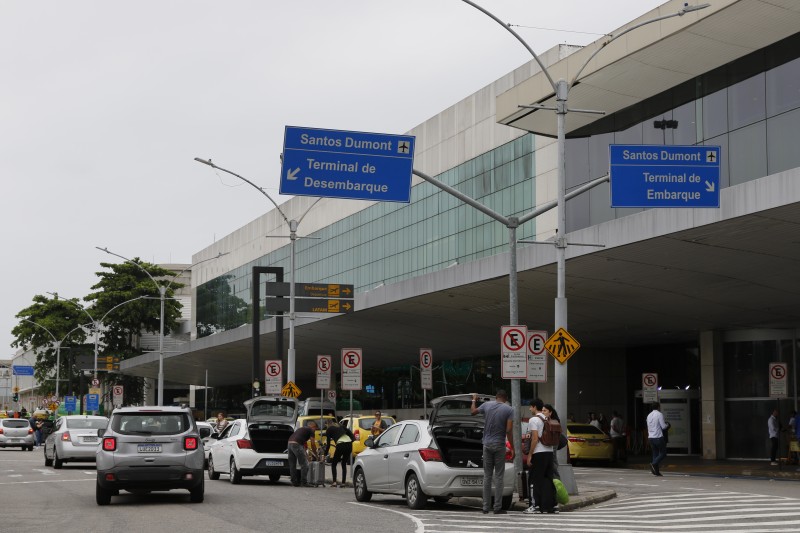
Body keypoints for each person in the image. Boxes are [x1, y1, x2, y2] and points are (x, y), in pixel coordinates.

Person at [470, 391, 514, 515]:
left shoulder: (487, 405)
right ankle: (497, 507)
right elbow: (509, 430)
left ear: (496, 397)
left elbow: (472, 412)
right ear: (505, 399)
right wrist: (513, 447)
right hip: (499, 444)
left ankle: (485, 507)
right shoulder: (509, 409)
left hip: (487, 444)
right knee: (499, 476)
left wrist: (474, 400)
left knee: (487, 476)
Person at [524, 399, 557, 514]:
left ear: (534, 407)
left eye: (530, 407)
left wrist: (529, 455)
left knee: (534, 480)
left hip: (538, 453)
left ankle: (535, 505)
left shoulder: (534, 419)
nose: (529, 409)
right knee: (548, 480)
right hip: (549, 452)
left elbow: (534, 439)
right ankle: (550, 506)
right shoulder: (547, 418)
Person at [324, 420, 354, 488]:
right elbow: (350, 434)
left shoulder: (329, 429)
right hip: (349, 444)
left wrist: (325, 454)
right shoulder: (341, 426)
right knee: (343, 464)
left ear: (327, 424)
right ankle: (343, 483)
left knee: (334, 463)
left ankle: (334, 482)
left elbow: (328, 444)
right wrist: (351, 441)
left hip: (340, 445)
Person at [287, 421, 318, 487]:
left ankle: (294, 482)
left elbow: (302, 446)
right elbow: (313, 444)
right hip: (296, 444)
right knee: (304, 464)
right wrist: (316, 455)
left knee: (292, 464)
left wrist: (306, 456)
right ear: (313, 427)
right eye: (315, 429)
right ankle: (304, 482)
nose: (315, 430)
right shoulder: (311, 430)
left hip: (289, 443)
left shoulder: (301, 429)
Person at [646, 403, 669, 476]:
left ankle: (656, 472)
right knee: (663, 453)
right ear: (658, 407)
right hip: (658, 437)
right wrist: (667, 425)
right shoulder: (659, 414)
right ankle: (654, 463)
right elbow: (663, 427)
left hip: (650, 437)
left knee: (655, 454)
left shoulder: (649, 415)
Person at [542, 403, 562, 481]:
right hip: (550, 445)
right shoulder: (547, 421)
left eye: (545, 410)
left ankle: (557, 483)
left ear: (550, 412)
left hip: (552, 445)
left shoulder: (553, 422)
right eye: (542, 410)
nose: (543, 412)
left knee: (553, 462)